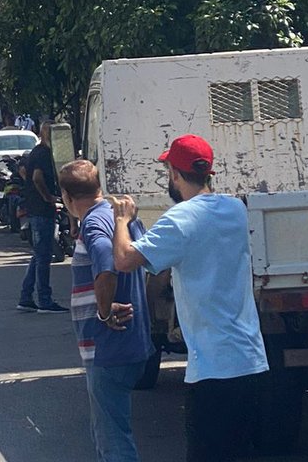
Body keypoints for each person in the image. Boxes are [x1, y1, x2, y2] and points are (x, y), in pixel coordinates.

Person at [111, 133, 268, 462]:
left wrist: (122, 220)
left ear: (174, 174)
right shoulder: (235, 210)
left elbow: (125, 260)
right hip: (250, 359)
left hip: (214, 366)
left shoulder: (180, 220)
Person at [59, 160, 152, 462]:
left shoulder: (95, 223)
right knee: (111, 433)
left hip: (107, 347)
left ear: (67, 197)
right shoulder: (123, 218)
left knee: (113, 441)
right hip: (131, 341)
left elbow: (104, 262)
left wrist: (103, 312)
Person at [17, 121, 66, 313]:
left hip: (35, 207)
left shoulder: (36, 152)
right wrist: (49, 198)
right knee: (44, 256)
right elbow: (37, 177)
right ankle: (44, 300)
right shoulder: (44, 154)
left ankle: (26, 296)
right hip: (41, 209)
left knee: (39, 254)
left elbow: (25, 173)